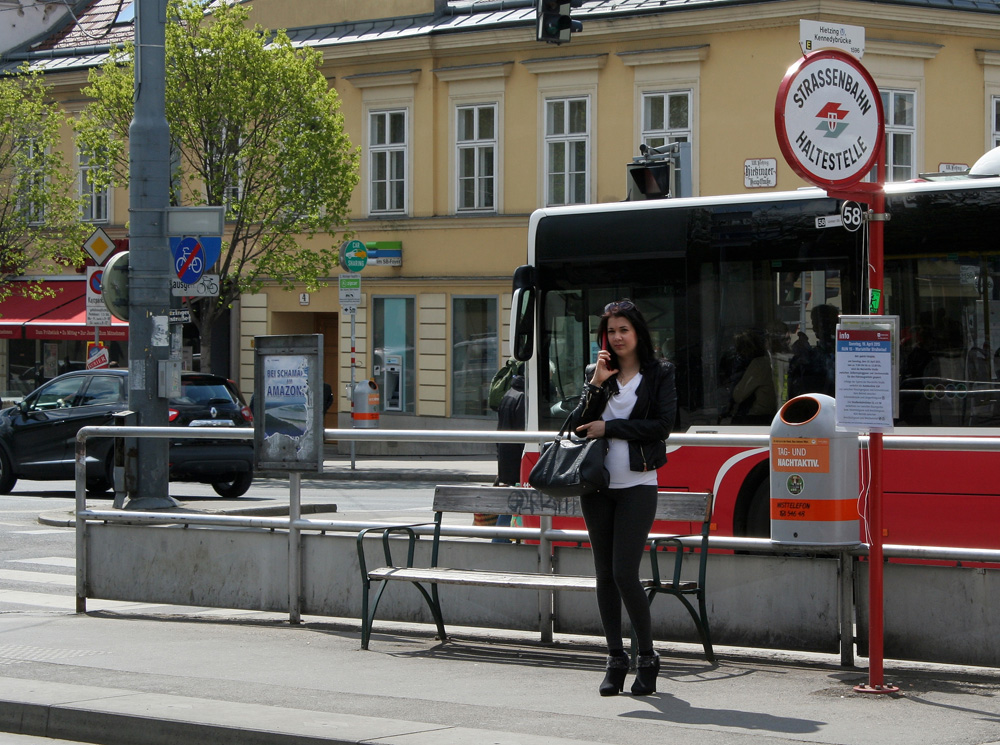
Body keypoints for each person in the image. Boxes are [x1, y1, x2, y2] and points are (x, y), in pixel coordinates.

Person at [570, 299, 676, 697]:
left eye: (623, 330)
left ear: (637, 333)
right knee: (603, 575)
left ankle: (647, 658)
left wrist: (610, 427)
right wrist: (596, 384)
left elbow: (663, 425)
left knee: (624, 573)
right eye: (610, 332)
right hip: (597, 485)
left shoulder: (659, 373)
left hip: (637, 484)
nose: (616, 338)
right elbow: (579, 426)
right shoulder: (597, 372)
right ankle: (615, 659)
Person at [492, 365, 525, 542]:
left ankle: (499, 542)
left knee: (509, 506)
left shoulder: (510, 393)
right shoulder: (523, 397)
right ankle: (499, 543)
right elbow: (523, 437)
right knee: (512, 505)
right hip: (517, 463)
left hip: (506, 461)